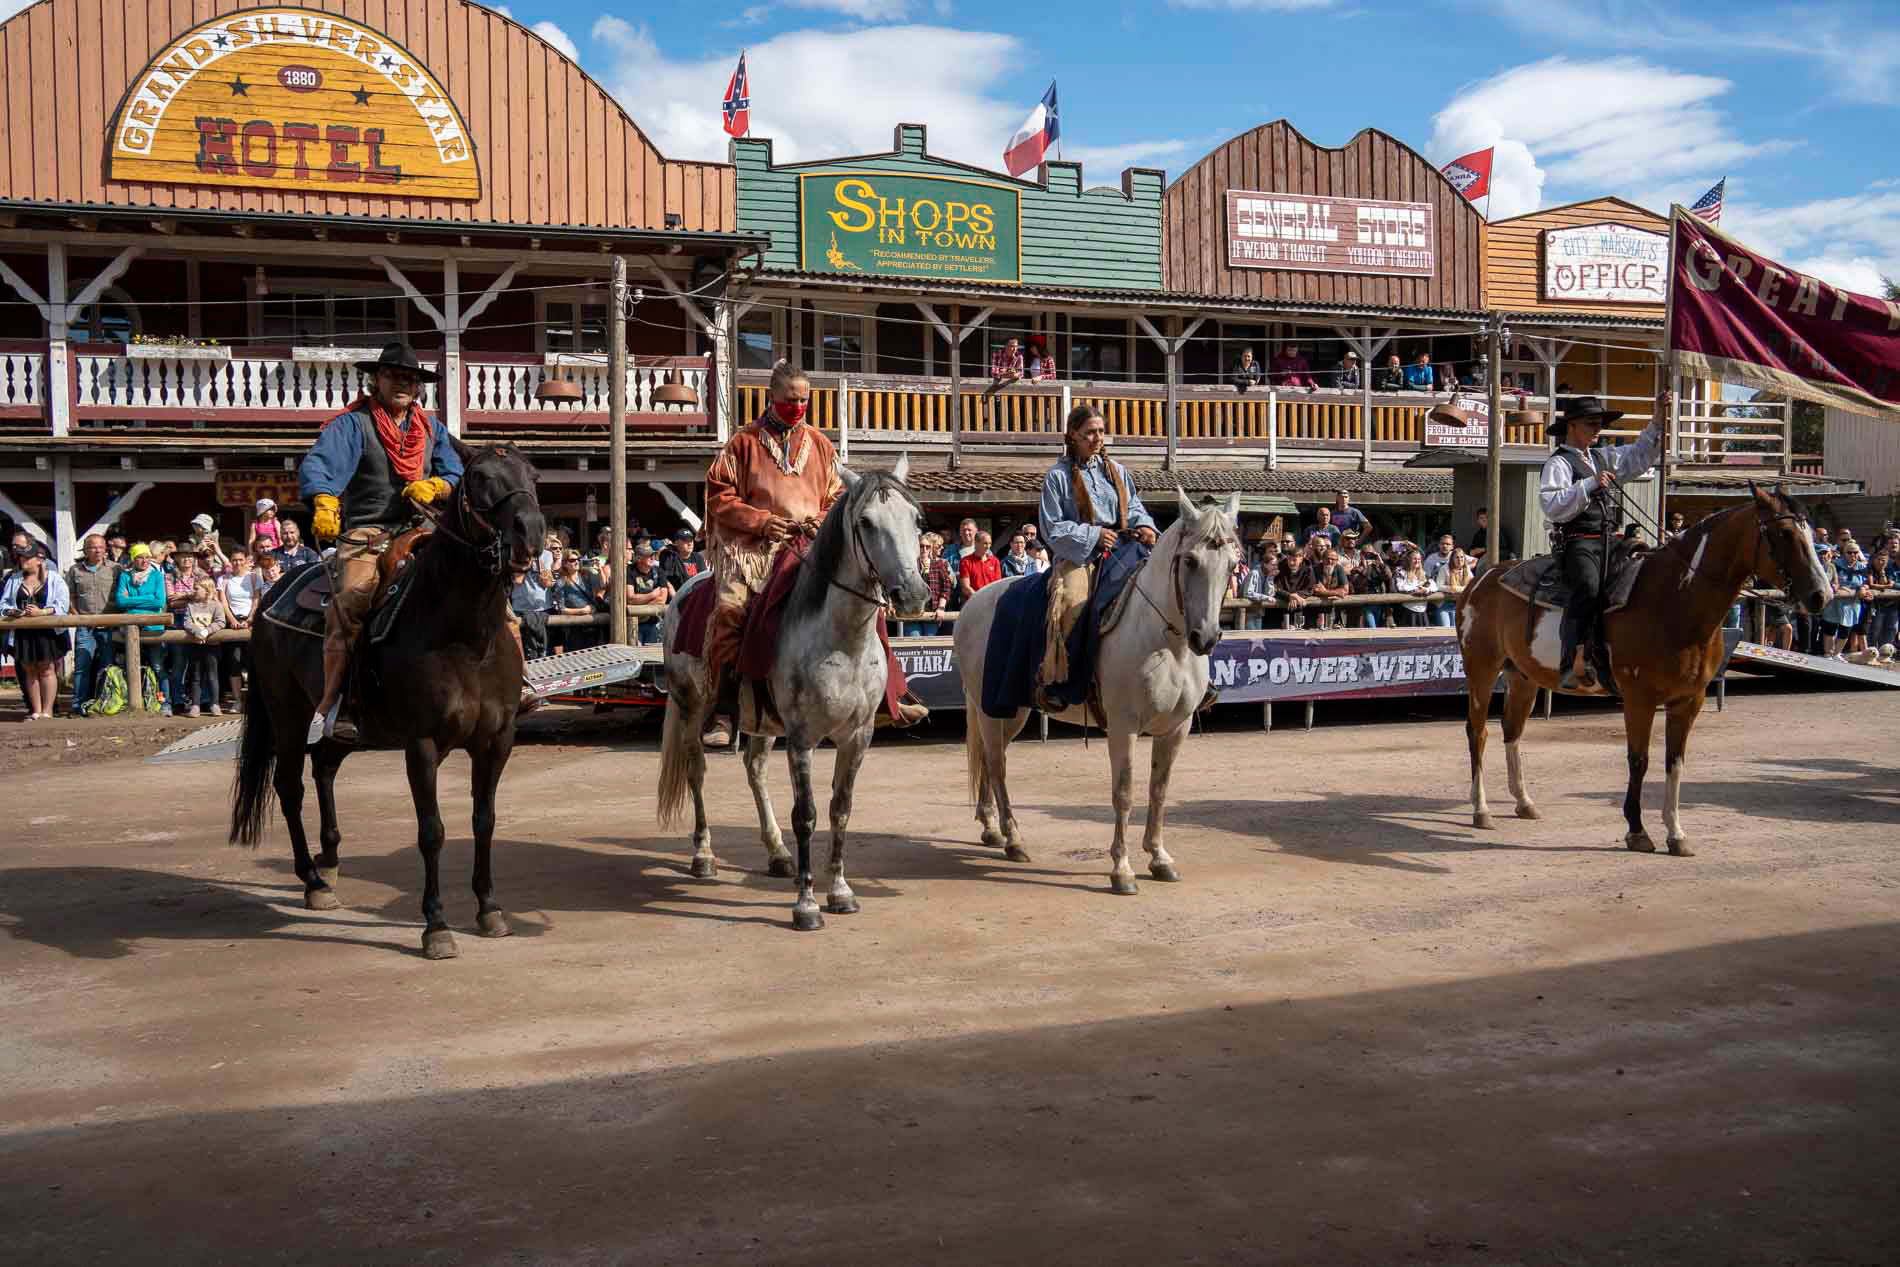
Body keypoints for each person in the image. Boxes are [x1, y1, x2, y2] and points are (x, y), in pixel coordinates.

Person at [297, 342, 464, 740]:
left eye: (410, 378)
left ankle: (514, 681)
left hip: (421, 528)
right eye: (394, 376)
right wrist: (323, 499)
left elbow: (457, 473)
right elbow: (320, 464)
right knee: (353, 597)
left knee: (480, 581)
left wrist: (438, 485)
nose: (403, 384)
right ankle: (335, 703)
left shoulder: (432, 429)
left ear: (418, 386)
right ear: (377, 379)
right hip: (367, 530)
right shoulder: (353, 424)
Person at [1538, 394, 1665, 690]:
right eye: (1592, 424)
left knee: (1642, 573)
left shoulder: (1601, 457)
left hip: (1608, 539)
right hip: (1578, 541)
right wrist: (1590, 484)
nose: (1598, 430)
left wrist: (1658, 419)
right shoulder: (1559, 462)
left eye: (1600, 425)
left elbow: (1637, 456)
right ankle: (1570, 662)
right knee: (1589, 587)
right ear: (1571, 426)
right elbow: (1552, 505)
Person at [1037, 404, 1157, 702]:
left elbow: (1135, 507)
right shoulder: (1057, 477)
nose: (1097, 437)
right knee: (1071, 601)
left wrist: (1146, 526)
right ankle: (1064, 681)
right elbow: (1052, 528)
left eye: (1101, 431)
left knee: (1168, 586)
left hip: (1127, 548)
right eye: (1090, 432)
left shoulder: (1117, 471)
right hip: (1081, 556)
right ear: (1073, 436)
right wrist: (1093, 535)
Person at [1, 549, 70, 719]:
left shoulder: (55, 579)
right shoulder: (14, 579)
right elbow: (3, 604)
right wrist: (13, 611)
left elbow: (63, 604)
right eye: (21, 557)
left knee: (47, 669)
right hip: (23, 631)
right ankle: (36, 711)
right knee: (29, 670)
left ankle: (48, 711)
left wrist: (43, 612)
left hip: (47, 632)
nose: (22, 560)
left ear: (39, 560)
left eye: (27, 557)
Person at [65, 532, 121, 718]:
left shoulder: (116, 569)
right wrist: (76, 616)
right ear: (86, 550)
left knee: (107, 666)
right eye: (93, 547)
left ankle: (104, 701)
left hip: (109, 625)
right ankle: (78, 704)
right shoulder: (75, 570)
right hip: (85, 626)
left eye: (101, 547)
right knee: (82, 665)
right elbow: (70, 596)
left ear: (106, 549)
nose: (97, 550)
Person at [112, 544, 170, 711]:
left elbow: (159, 601)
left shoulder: (157, 576)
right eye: (140, 557)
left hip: (153, 629)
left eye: (147, 557)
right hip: (130, 630)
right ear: (133, 559)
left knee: (158, 667)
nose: (144, 561)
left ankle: (165, 702)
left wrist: (133, 604)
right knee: (132, 668)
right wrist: (147, 600)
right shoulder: (125, 576)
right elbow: (120, 601)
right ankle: (138, 703)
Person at [177, 575, 227, 716]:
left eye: (197, 588)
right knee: (196, 676)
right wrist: (197, 632)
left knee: (213, 675)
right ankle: (196, 705)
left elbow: (220, 622)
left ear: (207, 590)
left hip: (212, 646)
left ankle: (215, 704)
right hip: (195, 645)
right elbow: (187, 622)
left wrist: (207, 631)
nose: (194, 590)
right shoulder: (191, 605)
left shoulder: (216, 605)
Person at [217, 547, 257, 713]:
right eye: (234, 560)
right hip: (232, 623)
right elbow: (223, 602)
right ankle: (237, 700)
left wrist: (250, 619)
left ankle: (254, 700)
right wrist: (232, 620)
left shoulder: (254, 577)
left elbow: (256, 598)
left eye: (240, 559)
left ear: (246, 560)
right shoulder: (224, 579)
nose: (237, 563)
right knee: (234, 662)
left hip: (250, 622)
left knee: (252, 662)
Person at [626, 543, 672, 645]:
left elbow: (662, 599)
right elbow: (630, 598)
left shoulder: (659, 571)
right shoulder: (629, 571)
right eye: (648, 556)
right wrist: (652, 595)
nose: (652, 558)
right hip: (634, 624)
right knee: (635, 654)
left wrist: (640, 604)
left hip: (653, 623)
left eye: (653, 555)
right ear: (638, 558)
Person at [1348, 545, 1394, 628]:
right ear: (1361, 555)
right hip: (1366, 605)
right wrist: (1365, 567)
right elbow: (1358, 585)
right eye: (1366, 554)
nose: (1368, 556)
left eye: (1371, 554)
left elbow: (1388, 576)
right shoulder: (1356, 570)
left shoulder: (1380, 568)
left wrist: (1380, 560)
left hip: (1379, 602)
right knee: (1372, 628)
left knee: (1380, 627)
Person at [958, 530, 1004, 601]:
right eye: (985, 543)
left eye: (990, 543)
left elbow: (998, 584)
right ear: (976, 543)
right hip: (973, 601)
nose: (988, 546)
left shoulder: (995, 561)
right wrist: (979, 599)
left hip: (991, 600)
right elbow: (965, 587)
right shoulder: (965, 561)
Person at [657, 528, 706, 592]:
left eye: (691, 540)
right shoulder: (670, 557)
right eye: (685, 540)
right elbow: (665, 579)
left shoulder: (698, 557)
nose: (689, 543)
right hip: (679, 595)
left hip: (696, 594)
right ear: (676, 542)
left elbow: (703, 579)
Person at [1393, 548, 1433, 627]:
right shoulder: (1401, 572)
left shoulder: (1423, 573)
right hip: (1408, 610)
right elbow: (1401, 587)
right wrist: (1417, 589)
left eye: (1419, 559)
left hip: (1422, 610)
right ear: (1409, 560)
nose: (1417, 561)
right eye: (1414, 559)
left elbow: (1434, 585)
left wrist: (1426, 589)